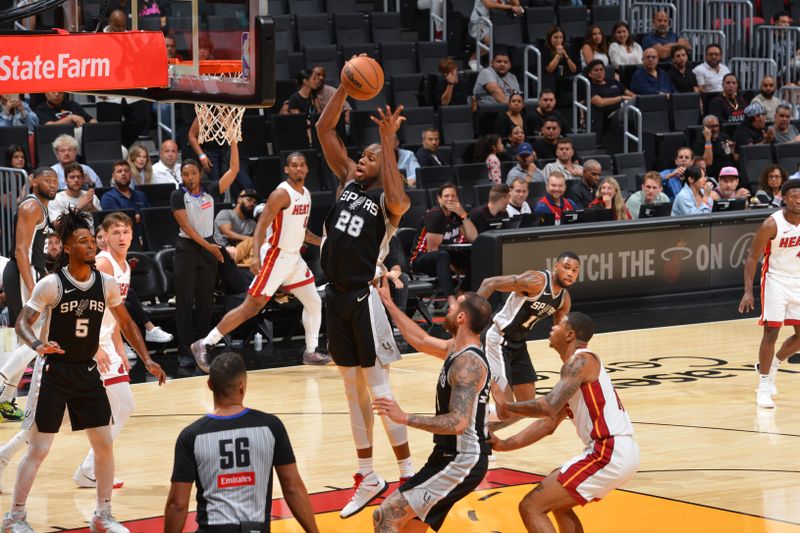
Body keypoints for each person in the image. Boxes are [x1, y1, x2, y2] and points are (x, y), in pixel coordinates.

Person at [2, 208, 165, 531]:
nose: (91, 246)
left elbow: (127, 323)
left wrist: (146, 358)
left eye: (92, 240)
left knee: (103, 443)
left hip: (87, 371)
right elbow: (22, 322)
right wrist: (37, 345)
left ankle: (102, 516)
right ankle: (14, 517)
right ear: (67, 247)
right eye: (82, 241)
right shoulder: (51, 284)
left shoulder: (105, 283)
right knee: (41, 447)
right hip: (55, 372)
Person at [315, 85, 414, 517]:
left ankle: (409, 473)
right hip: (334, 297)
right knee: (352, 392)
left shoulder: (390, 201)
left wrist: (388, 144)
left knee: (378, 389)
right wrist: (341, 84)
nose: (361, 161)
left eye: (368, 159)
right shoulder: (345, 183)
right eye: (362, 156)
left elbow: (397, 196)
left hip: (363, 298)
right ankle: (367, 474)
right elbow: (323, 128)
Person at [490, 312, 640, 533]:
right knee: (558, 506)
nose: (552, 327)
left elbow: (548, 405)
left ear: (569, 335)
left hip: (608, 451)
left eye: (558, 324)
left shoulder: (581, 360)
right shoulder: (574, 369)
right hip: (613, 451)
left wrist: (505, 405)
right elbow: (547, 423)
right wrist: (503, 444)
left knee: (531, 506)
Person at [192, 153, 330, 370]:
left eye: (303, 165)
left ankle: (311, 350)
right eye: (294, 165)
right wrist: (256, 256)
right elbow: (260, 227)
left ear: (307, 170)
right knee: (251, 307)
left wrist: (323, 241)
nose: (299, 169)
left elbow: (302, 231)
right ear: (287, 169)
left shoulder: (306, 194)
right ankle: (205, 343)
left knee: (313, 301)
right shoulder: (281, 194)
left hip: (294, 259)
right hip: (276, 256)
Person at [372, 285, 492, 533]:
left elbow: (458, 423)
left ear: (461, 317)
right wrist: (389, 304)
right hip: (447, 456)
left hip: (461, 461)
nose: (449, 307)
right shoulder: (455, 350)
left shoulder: (468, 362)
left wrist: (404, 417)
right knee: (407, 527)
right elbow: (421, 340)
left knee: (386, 516)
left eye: (454, 304)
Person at [164, 352, 318, 532]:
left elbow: (177, 505)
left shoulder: (191, 435)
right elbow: (293, 488)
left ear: (209, 385)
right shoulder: (271, 427)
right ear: (242, 386)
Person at [73, 212, 165, 489]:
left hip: (103, 343)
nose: (122, 237)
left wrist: (120, 348)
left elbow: (114, 315)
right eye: (116, 233)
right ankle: (89, 468)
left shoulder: (124, 266)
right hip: (88, 343)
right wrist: (92, 347)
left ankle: (90, 468)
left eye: (125, 232)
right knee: (119, 405)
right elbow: (82, 306)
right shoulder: (104, 264)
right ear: (105, 237)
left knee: (119, 405)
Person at [477, 252, 579, 405]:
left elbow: (560, 339)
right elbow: (489, 283)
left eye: (575, 270)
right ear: (555, 266)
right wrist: (468, 319)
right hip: (497, 338)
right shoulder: (536, 281)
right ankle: (475, 426)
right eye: (566, 267)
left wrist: (573, 368)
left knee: (528, 405)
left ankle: (485, 427)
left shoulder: (564, 300)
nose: (570, 273)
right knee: (506, 406)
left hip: (519, 344)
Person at [171, 143, 239, 368]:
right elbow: (187, 227)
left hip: (208, 249)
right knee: (184, 301)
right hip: (187, 249)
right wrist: (210, 247)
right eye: (185, 174)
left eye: (192, 173)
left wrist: (234, 143)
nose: (189, 177)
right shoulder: (177, 195)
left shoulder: (210, 189)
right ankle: (184, 349)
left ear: (200, 174)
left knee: (205, 302)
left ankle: (201, 347)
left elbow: (234, 171)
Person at [0, 168, 57, 422]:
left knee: (30, 342)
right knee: (33, 338)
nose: (53, 184)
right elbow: (21, 251)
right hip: (25, 273)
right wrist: (32, 286)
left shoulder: (42, 209)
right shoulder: (31, 206)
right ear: (32, 182)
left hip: (33, 273)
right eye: (47, 180)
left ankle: (5, 399)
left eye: (55, 180)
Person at [739, 180, 800, 408]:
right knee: (771, 331)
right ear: (784, 198)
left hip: (799, 280)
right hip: (776, 280)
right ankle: (763, 386)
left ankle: (772, 366)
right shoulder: (771, 224)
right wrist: (748, 291)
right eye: (794, 196)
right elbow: (752, 258)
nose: (798, 200)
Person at [410, 183, 478, 307]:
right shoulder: (436, 214)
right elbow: (432, 250)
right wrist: (451, 266)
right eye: (446, 196)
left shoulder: (456, 214)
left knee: (477, 255)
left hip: (444, 257)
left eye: (453, 196)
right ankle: (452, 301)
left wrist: (463, 215)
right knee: (442, 255)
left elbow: (473, 238)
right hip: (421, 258)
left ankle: (462, 292)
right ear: (439, 199)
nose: (450, 199)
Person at [100, 161, 151, 247]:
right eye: (119, 171)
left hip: (146, 238)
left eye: (126, 171)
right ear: (113, 176)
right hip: (121, 241)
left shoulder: (140, 195)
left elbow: (150, 216)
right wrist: (139, 217)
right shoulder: (108, 197)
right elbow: (116, 222)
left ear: (131, 174)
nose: (123, 174)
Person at [468, 0, 524, 71]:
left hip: (496, 22)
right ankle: (473, 59)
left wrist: (513, 6)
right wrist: (510, 7)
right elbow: (489, 4)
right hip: (479, 22)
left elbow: (516, 4)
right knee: (490, 40)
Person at [587, 60, 634, 136]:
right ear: (590, 74)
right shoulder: (590, 87)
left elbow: (630, 94)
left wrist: (638, 99)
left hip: (625, 106)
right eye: (596, 70)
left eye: (601, 70)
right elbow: (600, 103)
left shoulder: (613, 81)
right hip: (612, 114)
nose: (599, 72)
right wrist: (621, 98)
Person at [694, 114, 737, 180]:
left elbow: (735, 159)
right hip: (713, 175)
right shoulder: (699, 142)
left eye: (716, 126)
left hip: (730, 172)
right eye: (710, 126)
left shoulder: (725, 137)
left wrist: (733, 151)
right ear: (704, 128)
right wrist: (708, 140)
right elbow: (707, 163)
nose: (714, 129)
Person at [541, 26, 578, 96]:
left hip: (564, 78)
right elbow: (549, 69)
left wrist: (566, 56)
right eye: (556, 37)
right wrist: (558, 55)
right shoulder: (546, 49)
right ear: (550, 38)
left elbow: (574, 69)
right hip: (551, 79)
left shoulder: (567, 48)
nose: (559, 40)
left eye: (561, 37)